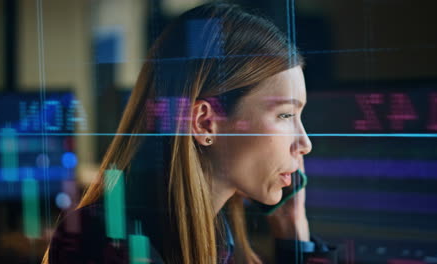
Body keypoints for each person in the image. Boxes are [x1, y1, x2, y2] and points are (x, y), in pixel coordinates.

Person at [43, 2, 339, 263]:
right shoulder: (106, 245)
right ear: (204, 123)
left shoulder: (215, 238)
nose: (305, 144)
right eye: (285, 115)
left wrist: (293, 229)